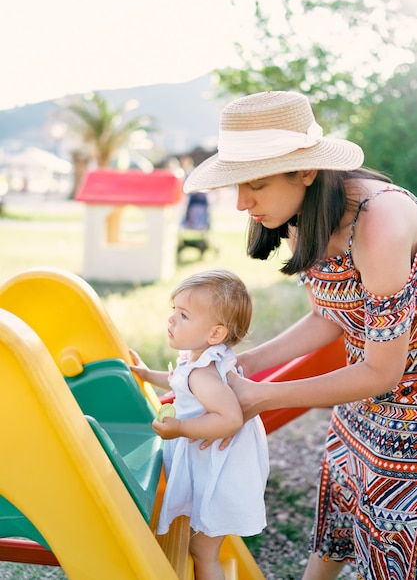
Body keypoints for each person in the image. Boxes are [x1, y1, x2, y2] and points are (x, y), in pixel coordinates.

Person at [183, 91, 417, 580]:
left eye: (258, 185)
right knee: (343, 503)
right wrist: (243, 364)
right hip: (366, 398)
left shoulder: (381, 222)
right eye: (237, 186)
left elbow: (384, 368)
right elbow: (328, 316)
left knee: (393, 538)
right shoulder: (303, 213)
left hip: (405, 411)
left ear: (306, 170)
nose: (244, 203)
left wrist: (264, 396)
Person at [129, 268, 269, 580]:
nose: (171, 320)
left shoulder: (202, 374)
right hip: (214, 461)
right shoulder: (197, 359)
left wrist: (180, 429)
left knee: (203, 553)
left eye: (183, 315)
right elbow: (178, 383)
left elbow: (230, 418)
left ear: (215, 334)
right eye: (173, 311)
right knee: (201, 547)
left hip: (223, 469)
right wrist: (146, 375)